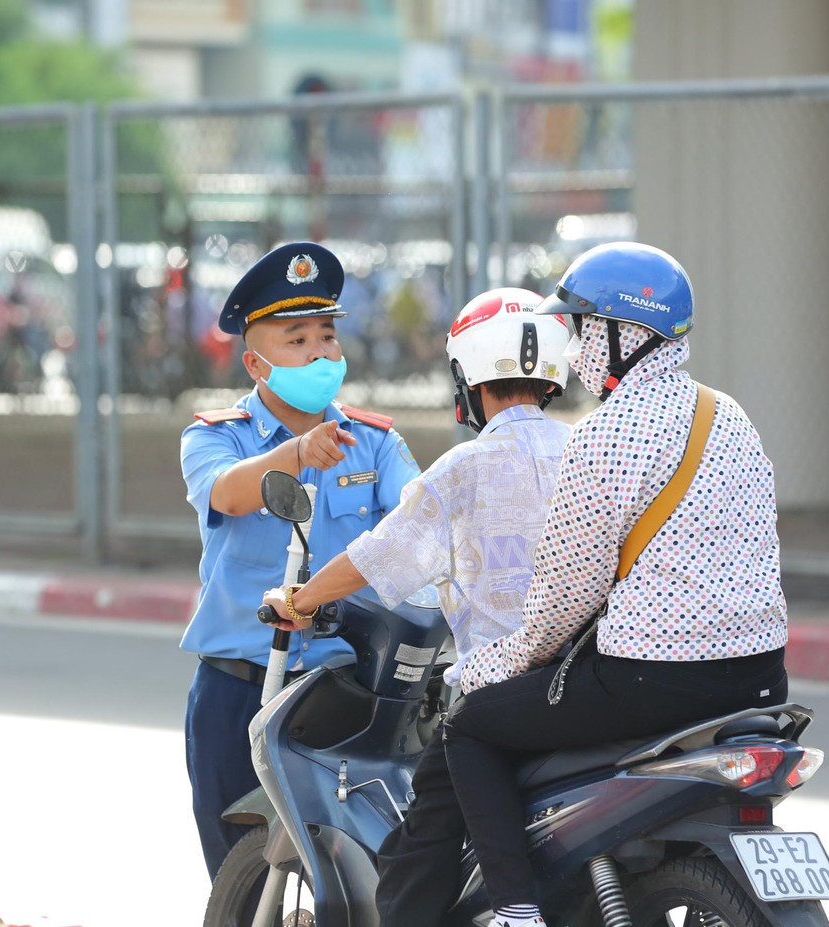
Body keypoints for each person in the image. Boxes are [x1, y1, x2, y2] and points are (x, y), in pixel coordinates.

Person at [441, 242, 790, 927]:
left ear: (619, 333)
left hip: (651, 681)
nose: (573, 349)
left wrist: (483, 669)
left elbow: (562, 604)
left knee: (471, 726)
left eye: (580, 328)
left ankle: (516, 912)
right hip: (761, 679)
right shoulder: (730, 415)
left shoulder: (603, 435)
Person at [262, 288, 573, 927]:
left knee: (415, 861)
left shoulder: (466, 467)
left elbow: (378, 556)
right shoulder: (589, 449)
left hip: (499, 696)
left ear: (468, 378)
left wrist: (299, 599)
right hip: (588, 685)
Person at [179, 242, 421, 880]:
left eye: (327, 336)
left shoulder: (375, 441)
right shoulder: (215, 435)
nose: (319, 352)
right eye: (297, 340)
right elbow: (227, 493)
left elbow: (419, 519)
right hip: (237, 689)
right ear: (255, 363)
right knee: (240, 875)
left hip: (340, 691)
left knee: (352, 871)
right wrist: (295, 454)